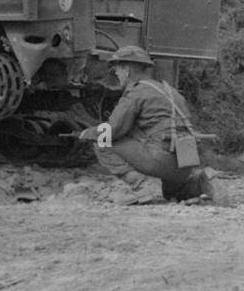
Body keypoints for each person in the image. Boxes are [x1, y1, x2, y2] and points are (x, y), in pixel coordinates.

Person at [75, 46, 214, 202]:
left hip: (161, 159)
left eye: (117, 68)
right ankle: (196, 183)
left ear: (127, 70)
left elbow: (113, 129)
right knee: (171, 195)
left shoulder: (136, 93)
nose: (115, 73)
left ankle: (142, 186)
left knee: (102, 140)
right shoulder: (170, 90)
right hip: (188, 161)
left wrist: (90, 132)